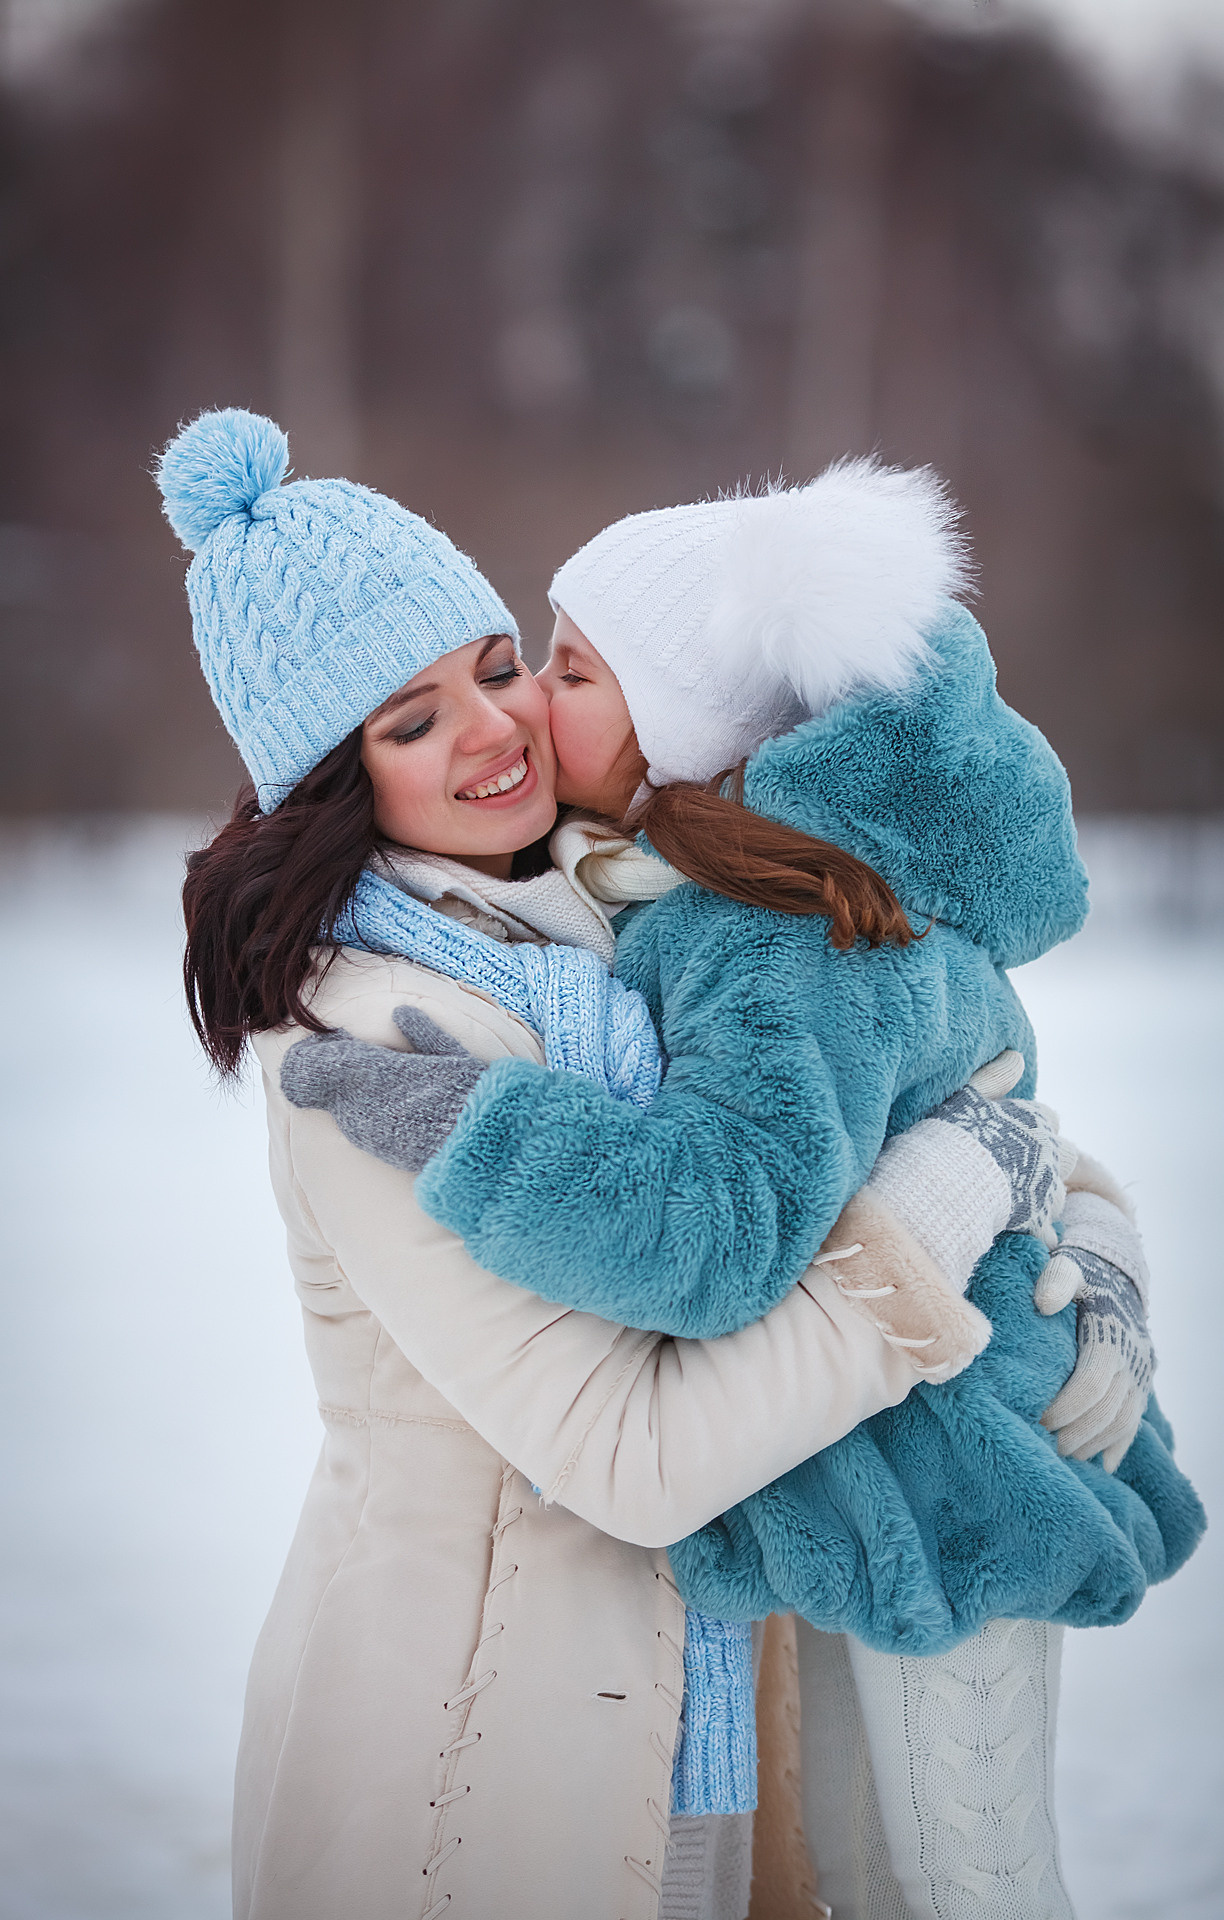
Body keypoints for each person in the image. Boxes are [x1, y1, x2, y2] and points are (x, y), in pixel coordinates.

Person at [158, 409, 1076, 1920]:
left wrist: (1074, 1230)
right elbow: (636, 1464)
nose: (496, 729)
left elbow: (908, 1090)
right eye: (411, 720)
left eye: (500, 667)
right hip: (480, 1783)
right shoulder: (374, 1046)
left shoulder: (607, 921)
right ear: (334, 782)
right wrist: (935, 1229)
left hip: (699, 1743)